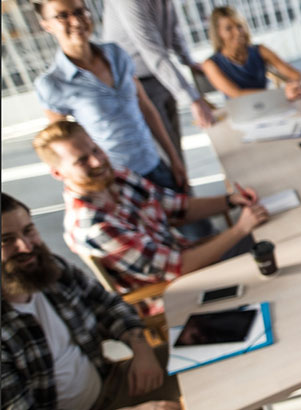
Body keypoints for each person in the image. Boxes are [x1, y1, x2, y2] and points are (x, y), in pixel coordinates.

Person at [32, 120, 269, 296]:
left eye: (95, 150)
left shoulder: (118, 177)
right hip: (177, 291)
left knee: (272, 234)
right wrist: (240, 229)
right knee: (271, 252)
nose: (97, 161)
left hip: (191, 258)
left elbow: (176, 208)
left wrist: (230, 201)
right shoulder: (94, 226)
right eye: (82, 160)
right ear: (57, 173)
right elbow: (178, 268)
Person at [1, 192, 181, 410]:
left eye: (28, 230)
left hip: (114, 382)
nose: (26, 246)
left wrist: (142, 350)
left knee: (211, 355)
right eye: (6, 240)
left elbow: (110, 305)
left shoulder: (51, 270)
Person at [33, 0, 189, 194]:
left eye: (80, 11)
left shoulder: (116, 54)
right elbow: (63, 149)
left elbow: (145, 107)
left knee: (198, 223)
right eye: (62, 16)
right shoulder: (52, 84)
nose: (76, 21)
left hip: (154, 162)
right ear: (46, 25)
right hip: (114, 180)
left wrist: (174, 158)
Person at [102, 0, 217, 167]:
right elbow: (152, 50)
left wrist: (188, 60)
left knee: (175, 149)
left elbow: (173, 30)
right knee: (165, 156)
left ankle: (185, 191)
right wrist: (193, 99)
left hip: (161, 77)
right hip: (136, 83)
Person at [202, 6, 301, 100]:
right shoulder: (210, 64)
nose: (237, 32)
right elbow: (237, 94)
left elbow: (295, 75)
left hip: (270, 106)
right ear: (218, 33)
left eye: (239, 26)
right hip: (241, 115)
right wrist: (281, 94)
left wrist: (293, 86)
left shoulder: (260, 50)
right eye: (229, 28)